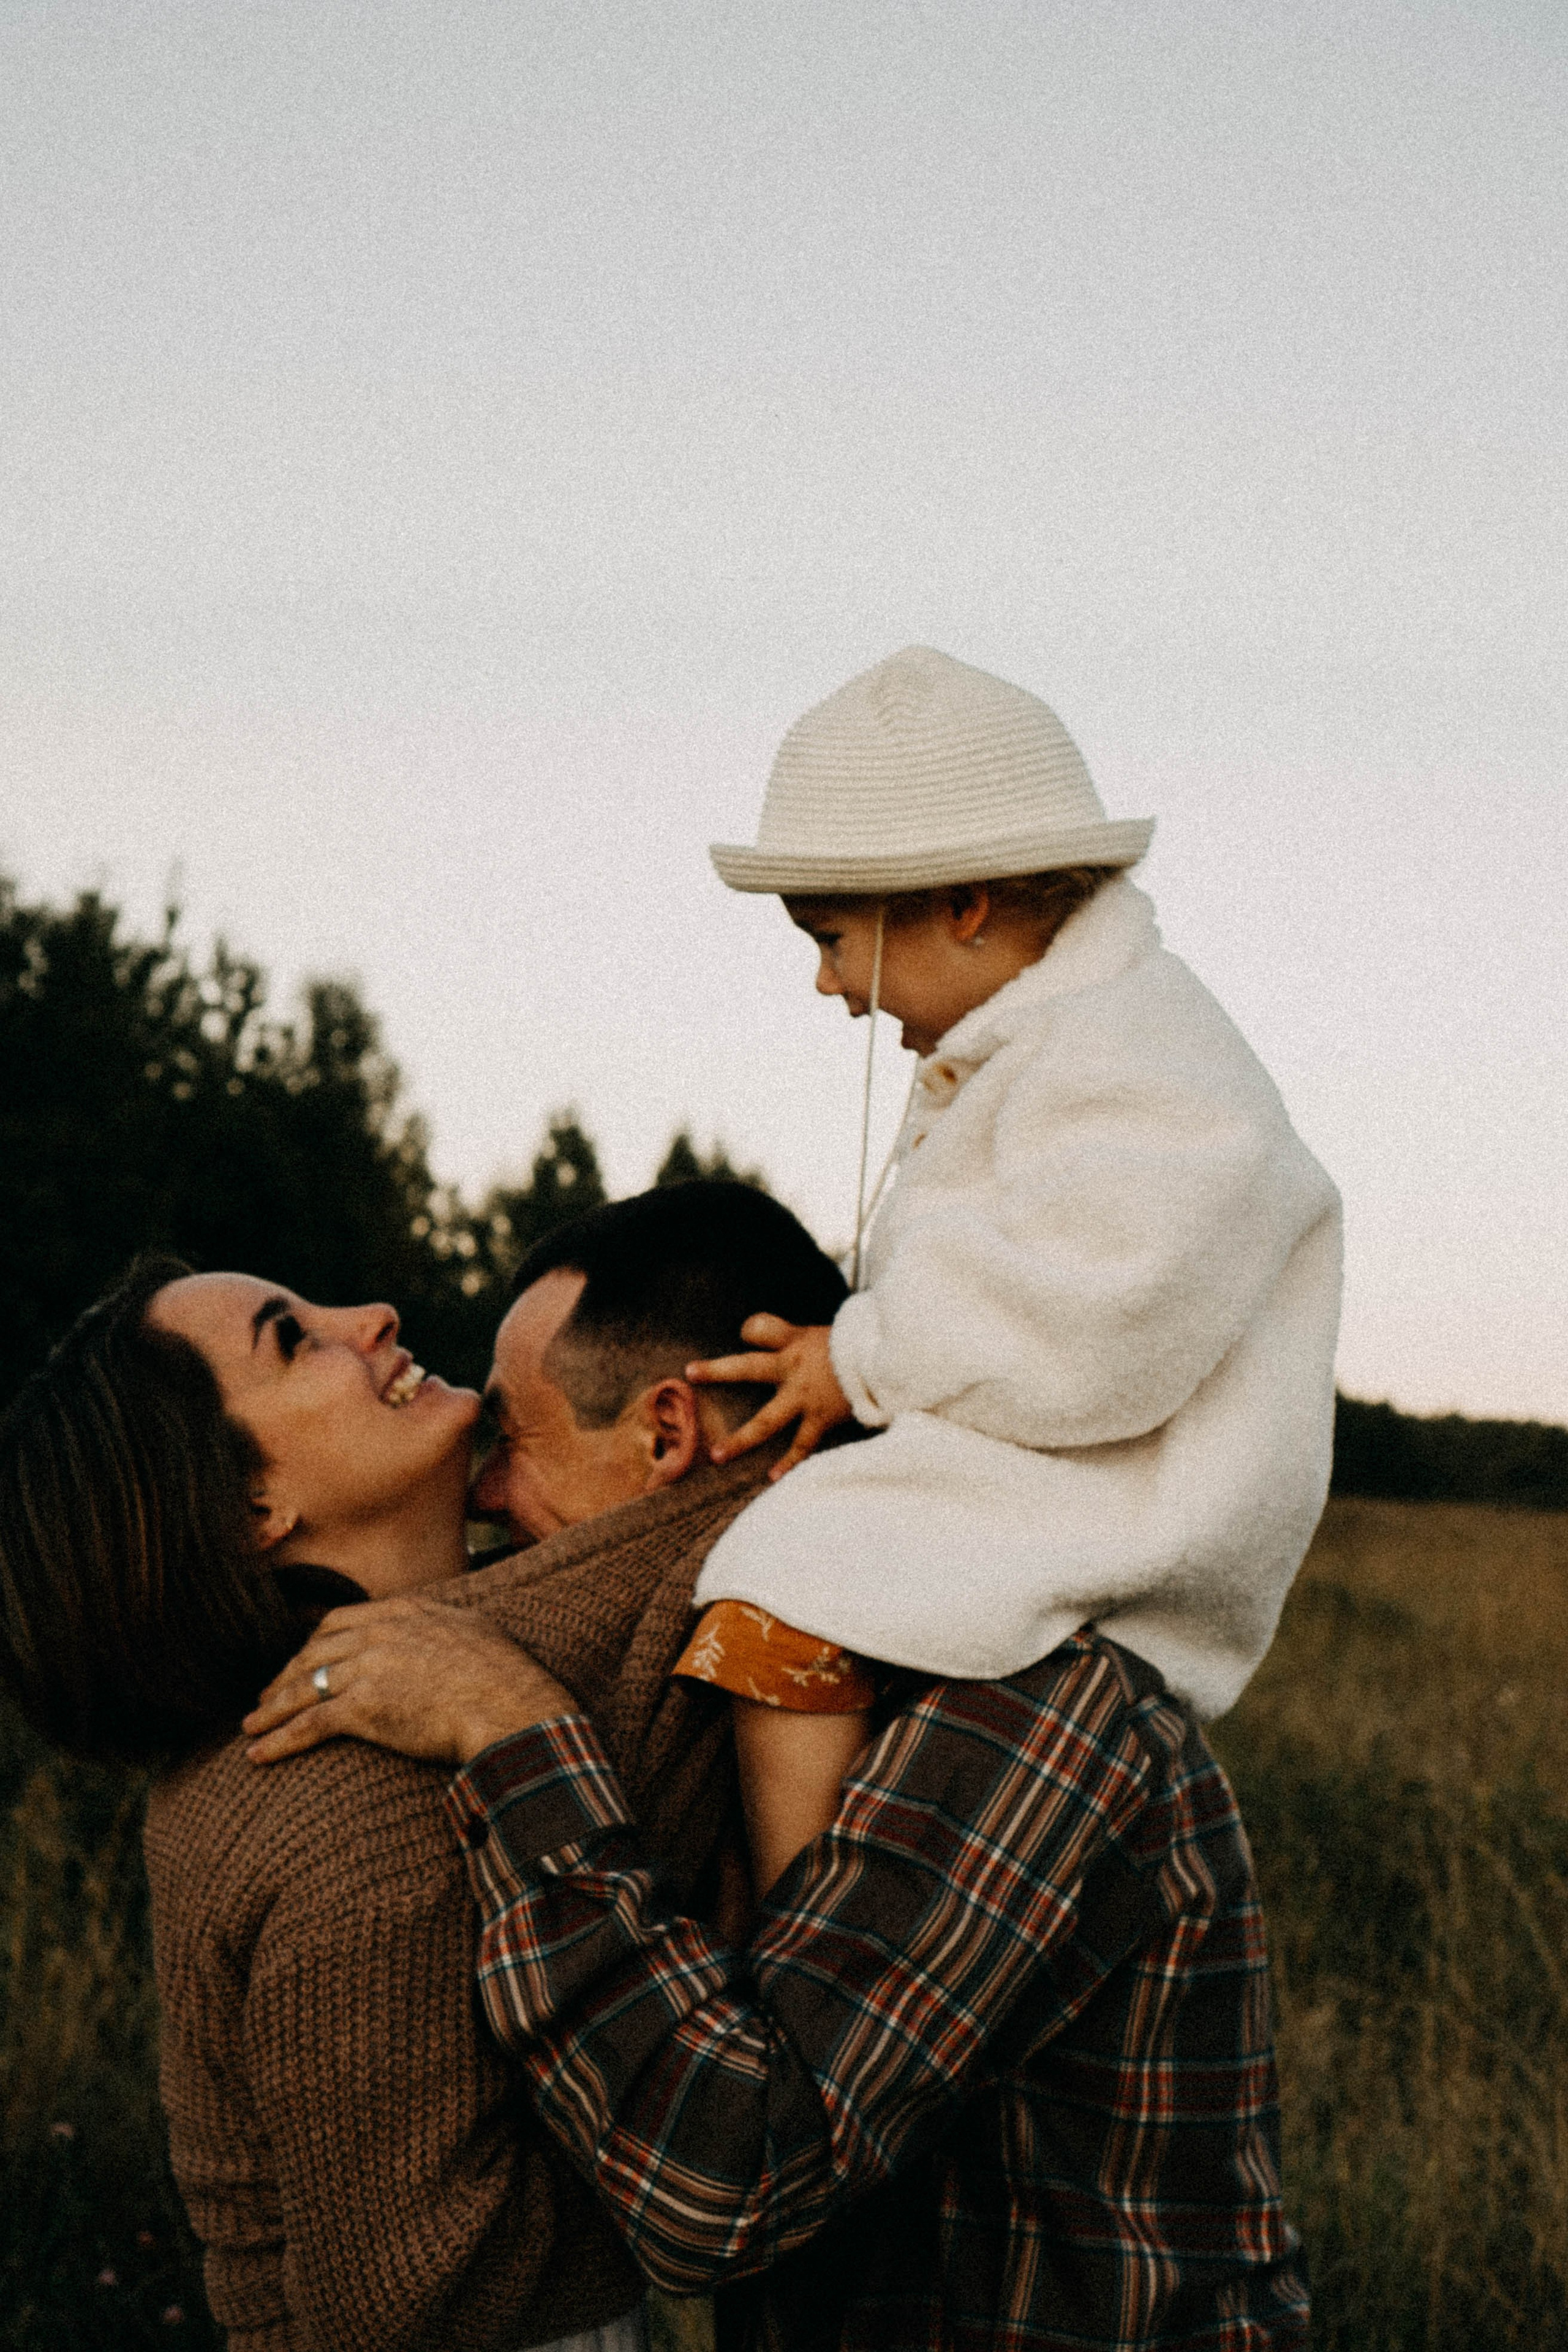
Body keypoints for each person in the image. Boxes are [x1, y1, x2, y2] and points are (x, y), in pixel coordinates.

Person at [0, 1182, 847, 2352]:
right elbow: (404, 2303)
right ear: (255, 1503)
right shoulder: (354, 1801)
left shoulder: (379, 1709)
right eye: (294, 1339)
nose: (379, 1311)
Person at [666, 644, 1343, 1887]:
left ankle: (811, 1938)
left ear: (960, 906)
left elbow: (1102, 1320)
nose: (828, 985)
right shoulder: (1052, 1039)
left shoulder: (1141, 1054)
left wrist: (860, 1357)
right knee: (774, 1547)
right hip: (1061, 1469)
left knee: (782, 1585)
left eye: (829, 936)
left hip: (1127, 1499)